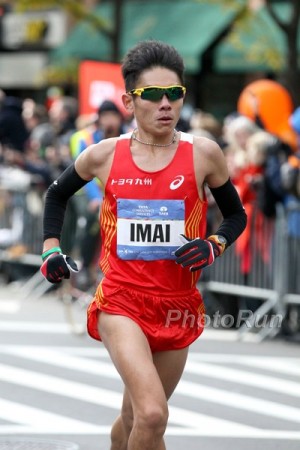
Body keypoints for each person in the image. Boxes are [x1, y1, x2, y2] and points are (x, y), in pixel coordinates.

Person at [40, 40, 247, 450]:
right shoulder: (103, 155)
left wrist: (214, 244)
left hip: (177, 303)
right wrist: (50, 248)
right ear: (129, 102)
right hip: (122, 301)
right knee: (153, 414)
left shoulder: (203, 154)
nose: (166, 103)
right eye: (152, 95)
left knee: (136, 418)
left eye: (175, 93)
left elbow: (236, 216)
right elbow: (56, 194)